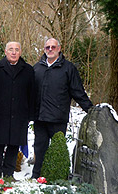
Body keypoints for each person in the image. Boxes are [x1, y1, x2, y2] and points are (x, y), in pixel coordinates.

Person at [32, 38, 93, 179]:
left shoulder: (68, 68)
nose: (50, 49)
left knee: (57, 150)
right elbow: (30, 93)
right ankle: (36, 176)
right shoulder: (37, 68)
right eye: (47, 47)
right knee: (39, 148)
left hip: (58, 117)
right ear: (44, 49)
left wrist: (90, 110)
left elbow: (77, 91)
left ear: (59, 48)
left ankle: (57, 178)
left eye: (53, 47)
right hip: (40, 118)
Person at [0, 41, 35, 178]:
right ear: (5, 52)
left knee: (14, 146)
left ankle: (8, 175)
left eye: (16, 50)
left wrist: (30, 115)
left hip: (19, 115)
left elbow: (32, 94)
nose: (14, 52)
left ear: (20, 52)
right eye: (11, 49)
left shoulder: (28, 70)